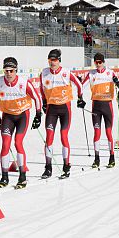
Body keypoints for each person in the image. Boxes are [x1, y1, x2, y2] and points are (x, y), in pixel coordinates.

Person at [0, 56, 42, 189]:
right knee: (5, 145)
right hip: (7, 116)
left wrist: (38, 115)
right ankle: (4, 177)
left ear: (16, 70)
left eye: (11, 71)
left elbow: (37, 98)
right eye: (6, 70)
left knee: (18, 142)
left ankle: (22, 176)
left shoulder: (24, 83)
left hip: (22, 115)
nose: (9, 73)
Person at [39, 48, 84, 179]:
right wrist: (44, 102)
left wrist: (80, 98)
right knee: (49, 137)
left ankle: (66, 166)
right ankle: (48, 168)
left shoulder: (66, 72)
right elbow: (41, 89)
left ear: (59, 60)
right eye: (50, 60)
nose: (52, 63)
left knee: (63, 136)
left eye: (54, 60)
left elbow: (79, 85)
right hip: (51, 109)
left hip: (65, 109)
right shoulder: (44, 73)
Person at [80, 52, 119, 168]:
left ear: (103, 62)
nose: (98, 64)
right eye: (96, 62)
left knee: (108, 132)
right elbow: (81, 87)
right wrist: (80, 99)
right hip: (96, 107)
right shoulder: (91, 74)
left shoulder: (110, 72)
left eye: (100, 62)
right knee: (97, 132)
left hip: (107, 106)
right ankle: (96, 159)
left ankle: (112, 157)